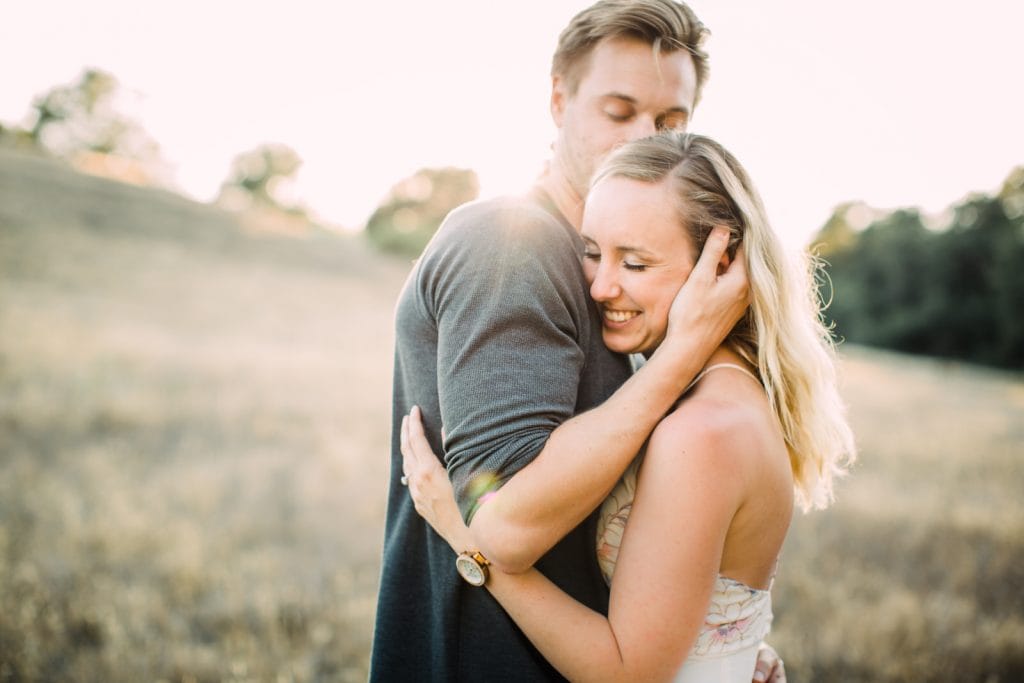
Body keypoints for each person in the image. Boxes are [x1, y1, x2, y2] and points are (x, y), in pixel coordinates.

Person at [370, 2, 784, 680]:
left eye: (670, 121)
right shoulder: (512, 247)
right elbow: (505, 525)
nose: (641, 141)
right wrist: (677, 359)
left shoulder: (630, 284)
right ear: (559, 99)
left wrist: (718, 646)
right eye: (619, 113)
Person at [400, 131, 856, 681]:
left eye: (635, 264)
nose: (600, 287)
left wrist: (463, 535)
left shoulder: (704, 430)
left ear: (721, 264)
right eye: (593, 253)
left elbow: (624, 672)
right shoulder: (711, 392)